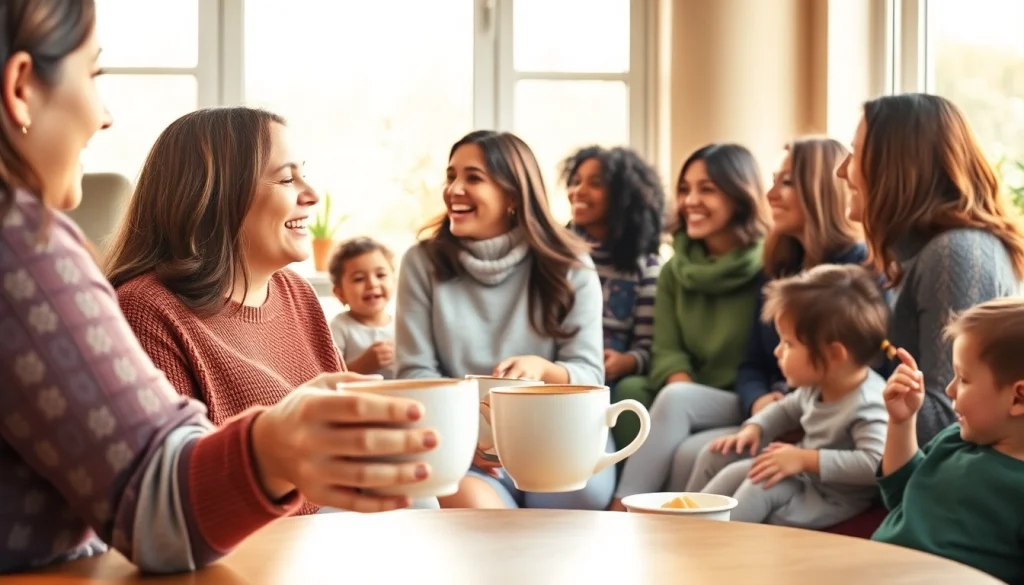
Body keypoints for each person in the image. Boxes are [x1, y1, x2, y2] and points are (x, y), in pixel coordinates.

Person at [0, 0, 438, 574]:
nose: (105, 116)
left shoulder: (298, 295)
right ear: (21, 87)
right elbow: (159, 509)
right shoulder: (24, 248)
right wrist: (277, 441)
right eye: (94, 74)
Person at [396, 130, 606, 509]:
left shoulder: (571, 266)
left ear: (513, 195)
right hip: (465, 446)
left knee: (579, 502)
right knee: (485, 516)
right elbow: (414, 374)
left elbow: (590, 373)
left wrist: (543, 369)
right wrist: (468, 435)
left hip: (556, 433)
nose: (454, 189)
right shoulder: (421, 263)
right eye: (451, 176)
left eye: (473, 178)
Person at [837, 93, 1024, 446]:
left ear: (896, 167)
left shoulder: (956, 253)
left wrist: (836, 390)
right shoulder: (922, 254)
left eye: (855, 153)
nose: (841, 170)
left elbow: (946, 418)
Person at [610, 143, 768, 510]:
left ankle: (621, 510)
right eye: (685, 189)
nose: (690, 200)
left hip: (745, 398)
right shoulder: (674, 270)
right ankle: (656, 517)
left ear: (740, 194)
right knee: (636, 390)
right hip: (687, 394)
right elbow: (666, 349)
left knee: (677, 410)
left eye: (706, 189)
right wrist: (685, 394)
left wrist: (683, 401)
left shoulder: (770, 265)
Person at [687, 264, 889, 528]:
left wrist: (804, 459)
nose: (777, 352)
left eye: (788, 344)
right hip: (803, 479)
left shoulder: (868, 402)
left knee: (759, 484)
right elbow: (785, 410)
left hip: (831, 498)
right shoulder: (817, 385)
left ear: (834, 354)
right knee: (732, 468)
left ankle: (712, 546)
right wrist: (755, 428)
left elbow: (875, 464)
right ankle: (686, 523)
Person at [874, 299, 1024, 584]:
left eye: (964, 379)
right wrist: (902, 422)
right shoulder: (954, 439)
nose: (949, 389)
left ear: (1018, 398)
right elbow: (898, 494)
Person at [562, 146, 664, 386]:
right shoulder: (556, 255)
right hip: (561, 366)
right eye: (575, 182)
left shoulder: (646, 267)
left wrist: (626, 361)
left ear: (623, 197)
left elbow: (649, 347)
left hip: (611, 377)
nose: (578, 191)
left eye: (595, 184)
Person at [327, 236, 397, 378]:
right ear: (340, 293)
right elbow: (328, 379)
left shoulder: (403, 325)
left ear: (394, 282)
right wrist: (362, 365)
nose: (372, 284)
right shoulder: (339, 328)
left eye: (381, 275)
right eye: (359, 279)